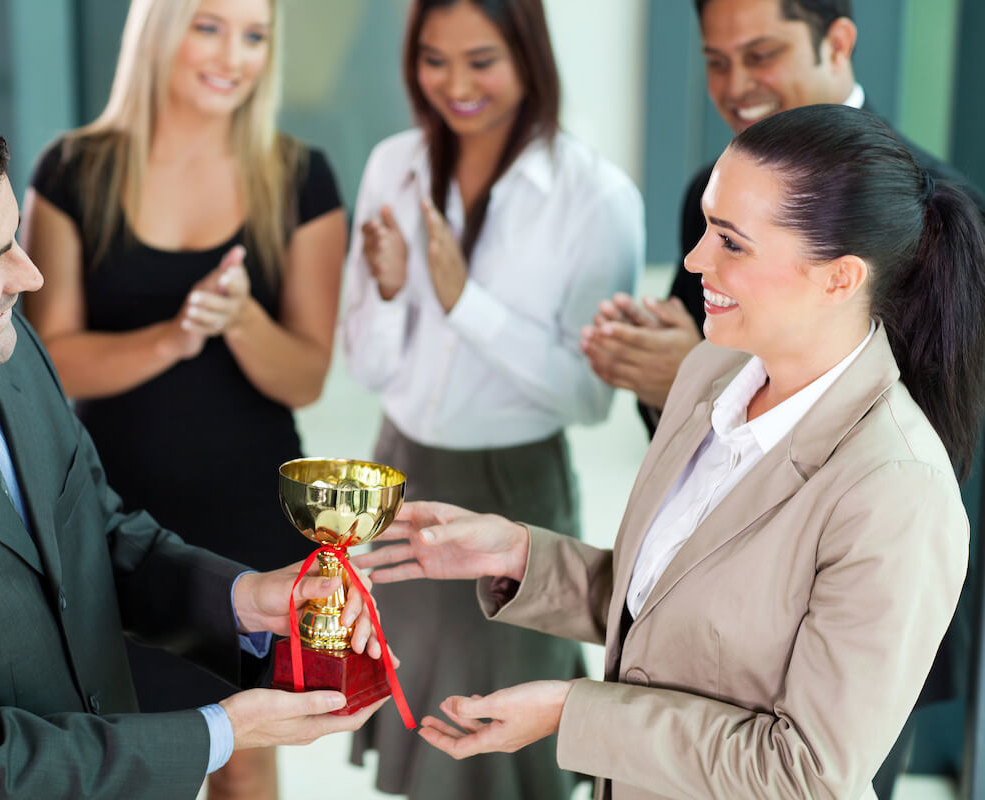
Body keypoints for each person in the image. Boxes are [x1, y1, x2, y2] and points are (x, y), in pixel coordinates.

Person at [359, 103, 985, 799]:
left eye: (731, 243)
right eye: (706, 229)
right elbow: (674, 617)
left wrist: (573, 712)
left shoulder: (896, 490)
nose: (693, 261)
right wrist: (518, 556)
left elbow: (807, 772)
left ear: (838, 277)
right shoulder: (707, 376)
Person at [0, 86, 386, 799]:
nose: (29, 276)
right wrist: (221, 731)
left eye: (13, 236)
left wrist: (247, 599)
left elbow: (96, 539)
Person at [21, 0, 346, 795]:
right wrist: (173, 336)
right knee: (127, 755)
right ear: (160, 29)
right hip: (114, 517)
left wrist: (240, 320)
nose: (232, 55)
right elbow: (45, 362)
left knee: (248, 756)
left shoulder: (300, 177)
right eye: (208, 26)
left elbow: (305, 374)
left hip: (250, 517)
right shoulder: (72, 170)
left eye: (255, 35)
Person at [340, 0, 643, 797]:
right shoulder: (391, 165)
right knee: (416, 724)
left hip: (515, 491)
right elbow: (369, 365)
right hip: (399, 470)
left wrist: (464, 300)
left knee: (505, 737)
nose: (455, 84)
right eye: (434, 60)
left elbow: (588, 399)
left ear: (528, 56)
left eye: (481, 60)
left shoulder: (595, 196)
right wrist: (394, 288)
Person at [582, 0, 985, 431]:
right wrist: (653, 363)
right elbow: (680, 379)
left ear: (836, 45)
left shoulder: (939, 210)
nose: (735, 86)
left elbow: (933, 425)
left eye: (760, 56)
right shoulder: (709, 192)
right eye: (716, 62)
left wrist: (700, 377)